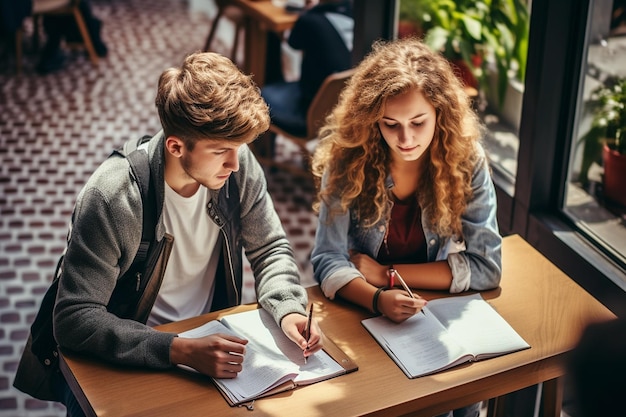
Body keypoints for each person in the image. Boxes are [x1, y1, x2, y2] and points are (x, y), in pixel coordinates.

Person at [16, 51, 322, 416]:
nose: (236, 163)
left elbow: (269, 248)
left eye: (240, 148)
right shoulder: (113, 197)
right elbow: (74, 318)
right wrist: (178, 349)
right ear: (175, 146)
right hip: (131, 354)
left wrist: (288, 309)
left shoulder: (237, 169)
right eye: (221, 150)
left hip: (210, 347)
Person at [310, 37, 502, 417]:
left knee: (459, 401)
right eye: (390, 124)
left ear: (439, 112)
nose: (406, 138)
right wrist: (377, 298)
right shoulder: (349, 158)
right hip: (361, 314)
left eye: (418, 122)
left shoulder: (466, 159)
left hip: (435, 314)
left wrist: (386, 275)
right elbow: (327, 258)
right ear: (372, 119)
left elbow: (487, 269)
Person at [260, 0, 353, 138]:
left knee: (258, 95)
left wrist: (309, 10)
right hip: (343, 109)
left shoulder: (310, 20)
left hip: (309, 112)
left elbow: (293, 43)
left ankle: (260, 149)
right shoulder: (357, 13)